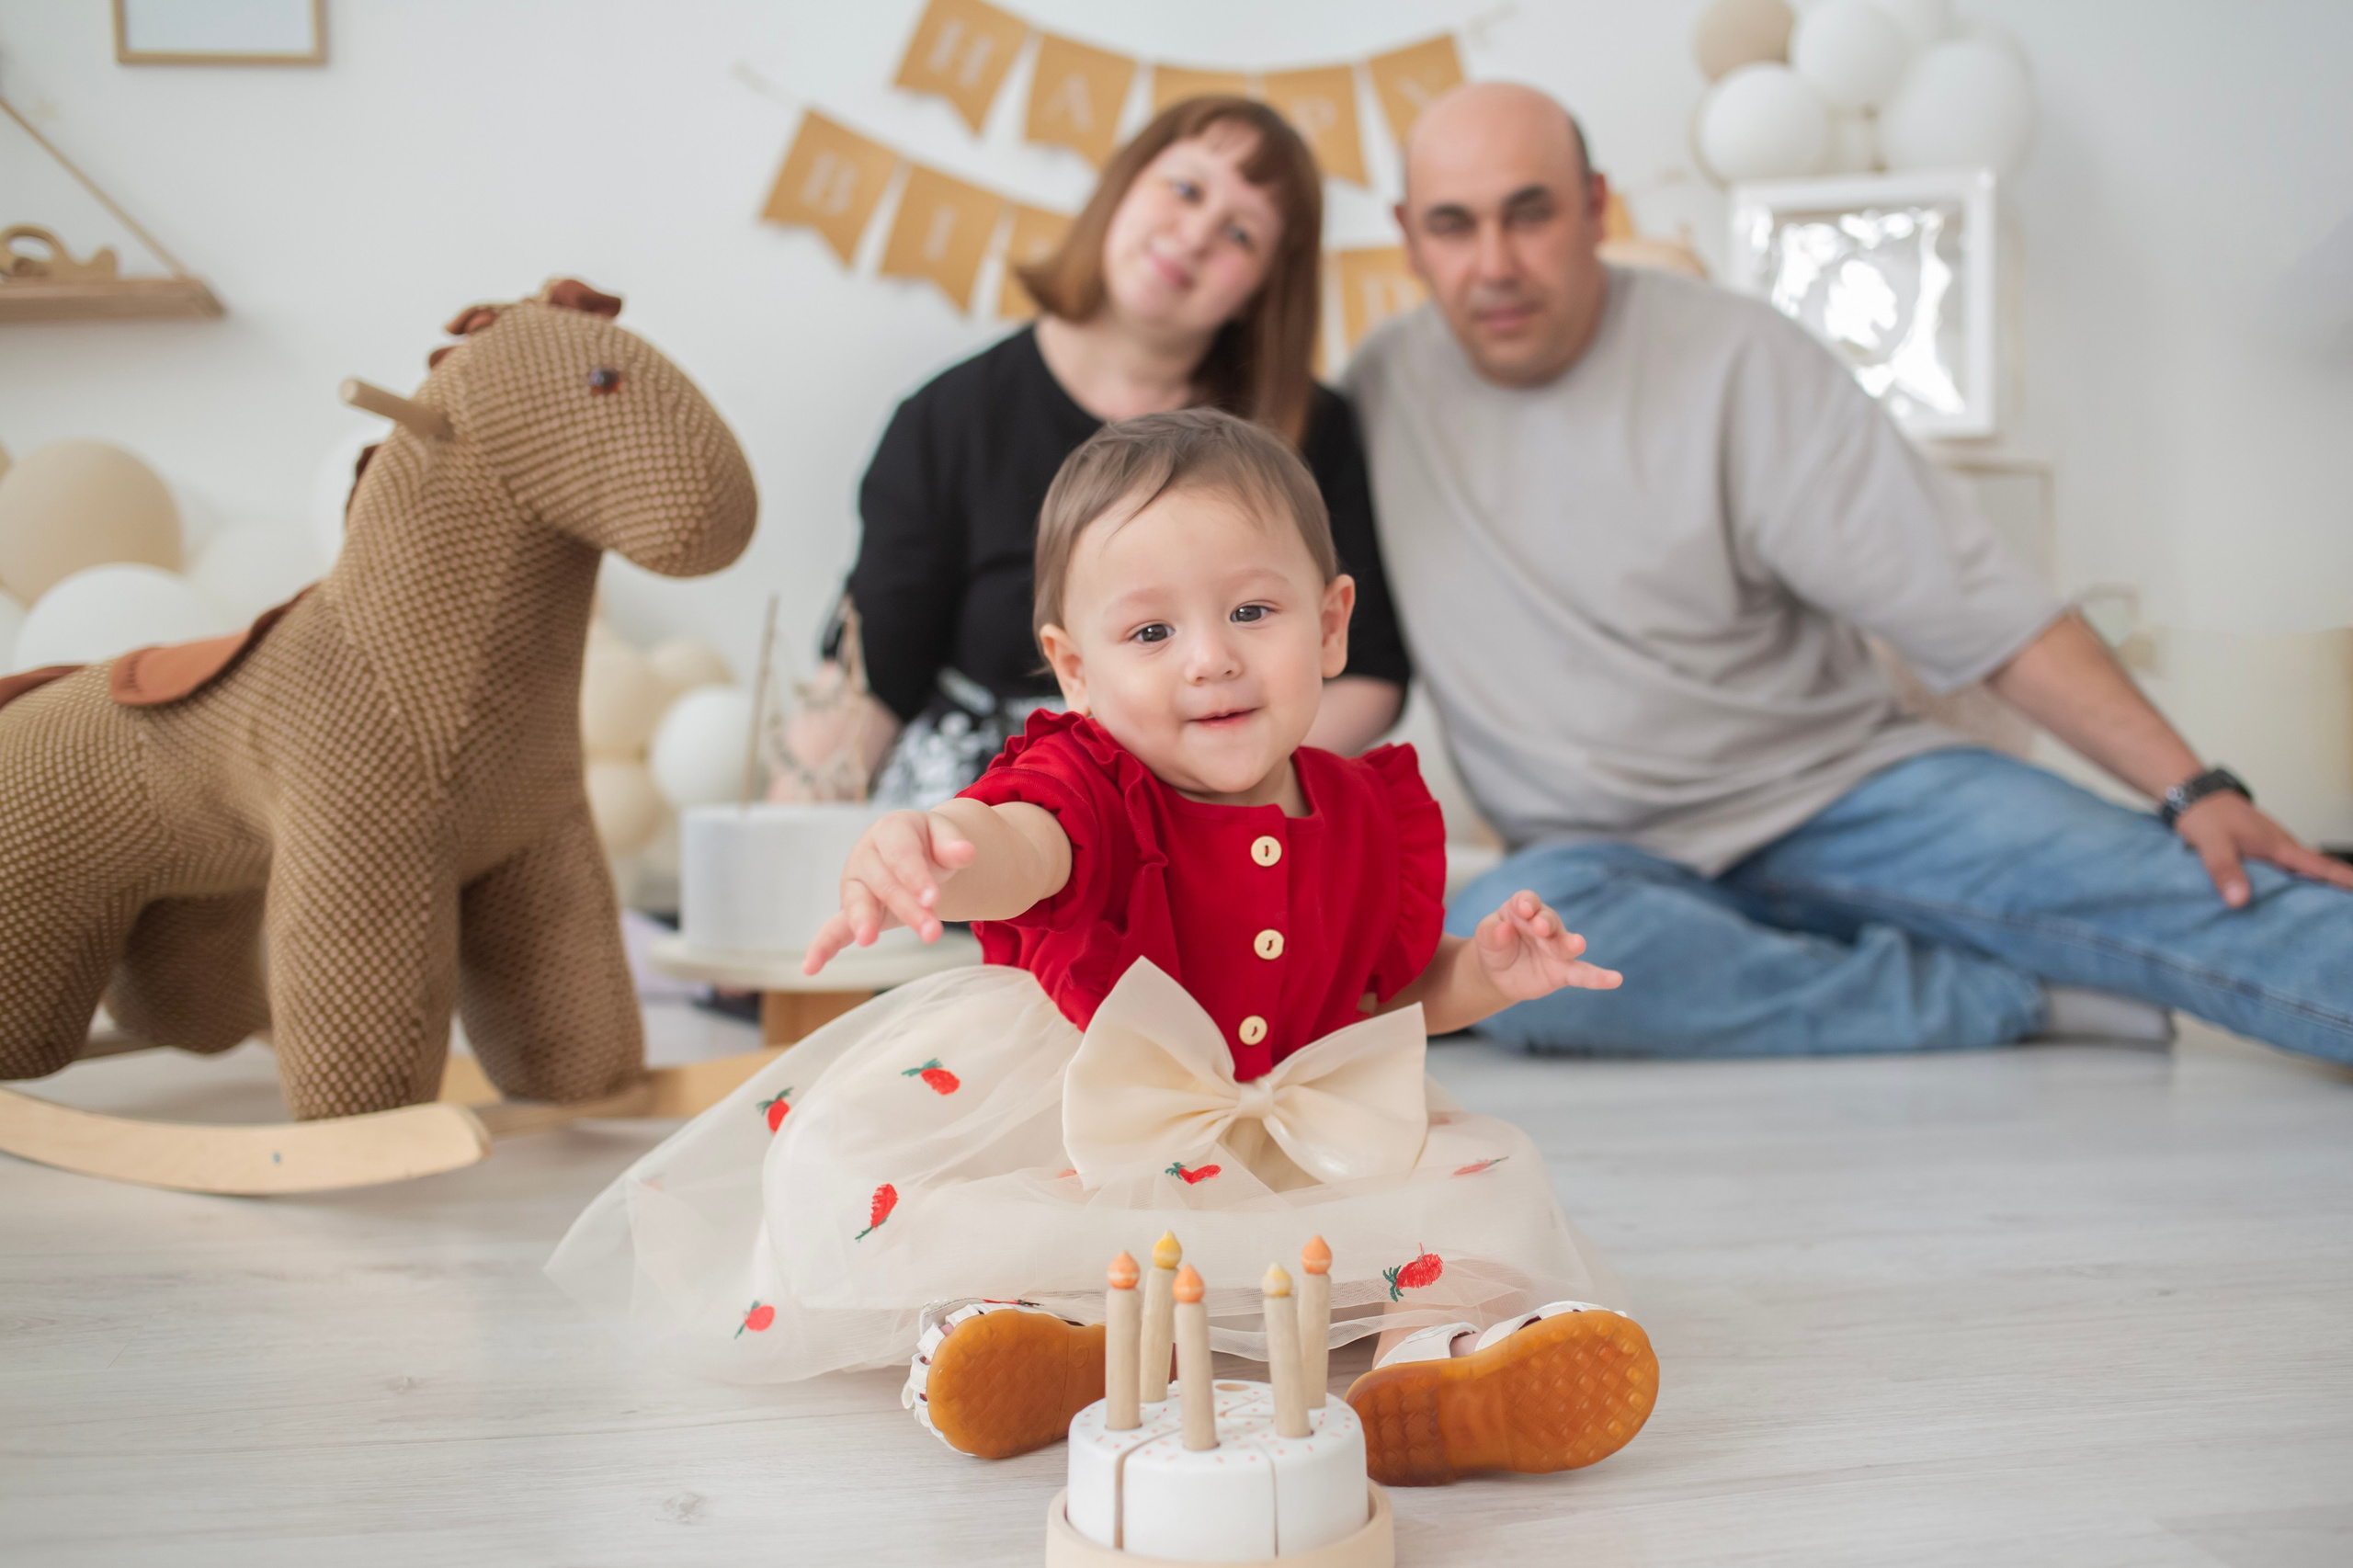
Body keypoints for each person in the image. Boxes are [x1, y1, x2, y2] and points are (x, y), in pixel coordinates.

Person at [551, 411, 1658, 1485]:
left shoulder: (1365, 810)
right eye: (1151, 633)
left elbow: (1386, 988)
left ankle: (1431, 1373)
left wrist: (1486, 972)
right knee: (935, 1198)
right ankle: (1077, 1339)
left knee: (1490, 1181)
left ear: (1330, 625)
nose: (1211, 659)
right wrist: (938, 843)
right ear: (1074, 669)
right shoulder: (1088, 781)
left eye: (1252, 611)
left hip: (1299, 1125)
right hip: (1090, 1119)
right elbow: (1021, 843)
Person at [1344, 81, 2353, 1062]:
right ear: (1407, 235)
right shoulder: (1369, 401)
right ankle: (2011, 994)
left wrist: (2194, 786)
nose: (1494, 262)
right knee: (1498, 951)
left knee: (2196, 884)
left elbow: (1978, 606)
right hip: (1600, 864)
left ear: (1596, 206)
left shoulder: (1736, 356)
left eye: (1529, 215)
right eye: (1453, 225)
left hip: (1846, 797)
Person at [790, 97, 1410, 805]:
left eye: (1240, 234)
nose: (1197, 235)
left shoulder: (1307, 430)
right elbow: (872, 673)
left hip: (1220, 809)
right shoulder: (950, 418)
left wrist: (1229, 779)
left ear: (1261, 290)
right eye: (1185, 189)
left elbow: (1367, 671)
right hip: (987, 812)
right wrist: (790, 821)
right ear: (1122, 190)